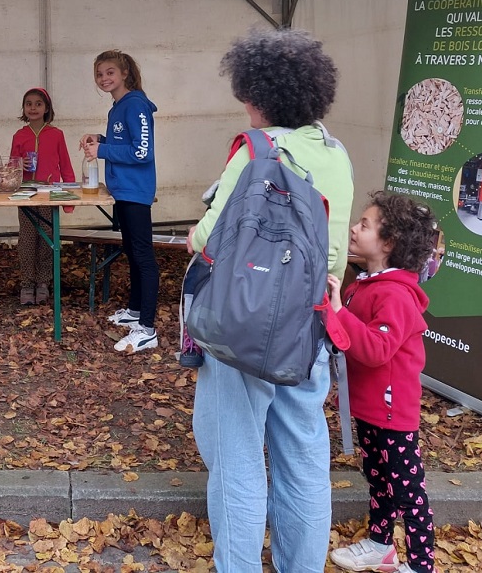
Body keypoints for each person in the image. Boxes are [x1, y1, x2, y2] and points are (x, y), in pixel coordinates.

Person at [188, 28, 354, 573]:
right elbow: (334, 250)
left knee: (236, 456)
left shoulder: (256, 149)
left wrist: (195, 230)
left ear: (256, 95)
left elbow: (208, 239)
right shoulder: (335, 153)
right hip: (312, 321)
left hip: (245, 323)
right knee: (304, 454)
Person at [325, 192, 437, 573]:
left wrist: (339, 312)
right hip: (371, 409)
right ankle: (380, 543)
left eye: (365, 225)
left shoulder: (395, 295)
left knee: (408, 490)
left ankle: (422, 564)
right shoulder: (366, 283)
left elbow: (376, 348)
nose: (354, 229)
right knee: (378, 479)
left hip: (393, 413)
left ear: (388, 243)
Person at [79, 49, 159, 354]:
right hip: (122, 191)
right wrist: (100, 139)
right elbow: (123, 142)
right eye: (99, 74)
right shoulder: (118, 107)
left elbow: (142, 152)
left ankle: (147, 330)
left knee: (143, 257)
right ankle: (136, 311)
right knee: (132, 251)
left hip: (135, 191)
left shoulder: (136, 104)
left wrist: (102, 151)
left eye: (110, 72)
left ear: (125, 73)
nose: (104, 78)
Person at [10, 87, 75, 305]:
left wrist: (69, 200)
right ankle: (27, 283)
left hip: (50, 194)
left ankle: (44, 282)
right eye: (28, 104)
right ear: (23, 108)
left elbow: (66, 166)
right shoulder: (19, 136)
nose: (33, 108)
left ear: (46, 108)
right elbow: (11, 167)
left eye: (38, 104)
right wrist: (20, 164)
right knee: (27, 238)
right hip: (25, 194)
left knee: (48, 237)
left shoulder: (56, 135)